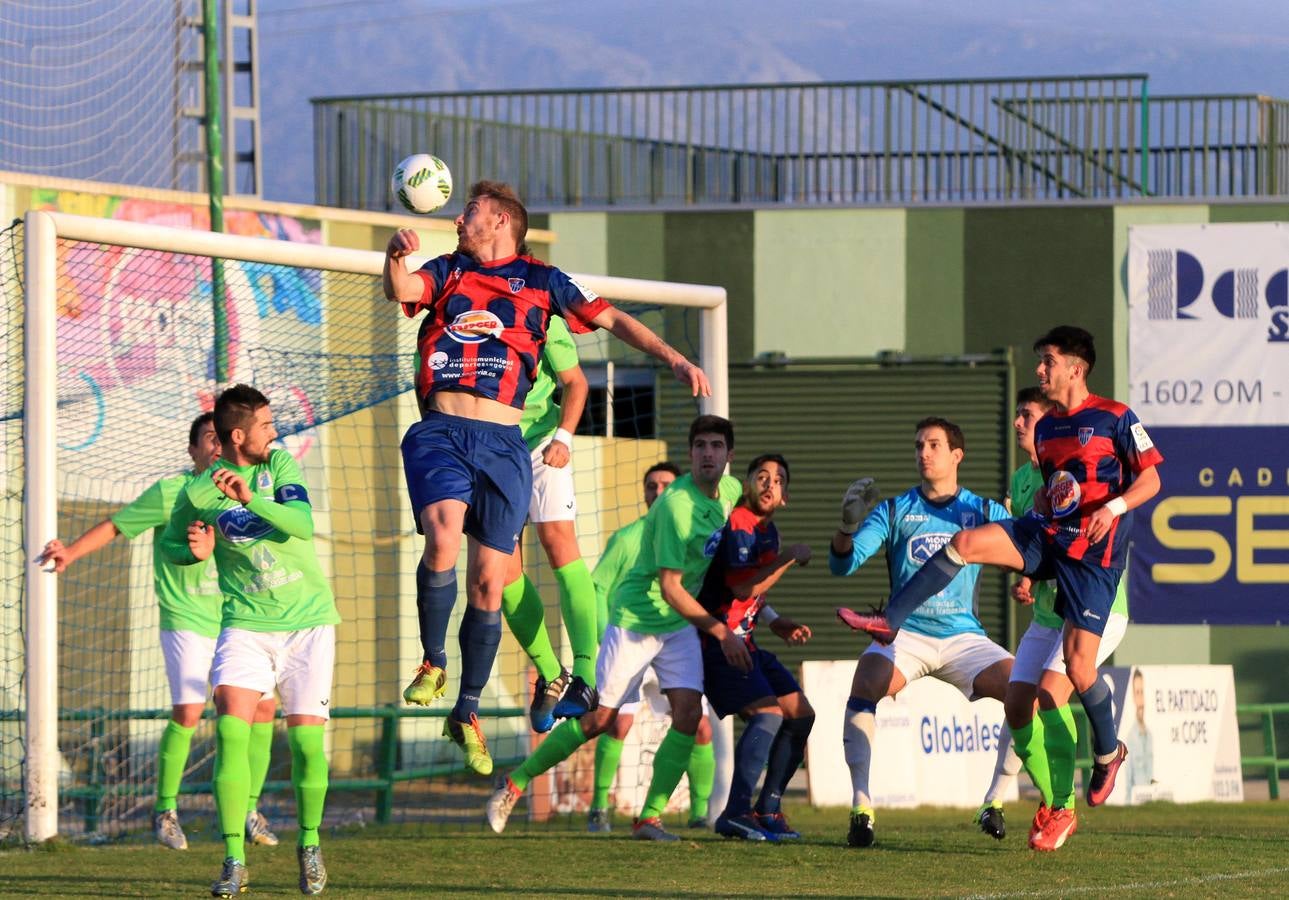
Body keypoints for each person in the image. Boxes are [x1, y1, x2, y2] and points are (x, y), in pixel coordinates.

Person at [383, 180, 710, 776]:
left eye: (471, 210)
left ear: (502, 221)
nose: (459, 218)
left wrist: (676, 359)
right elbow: (403, 289)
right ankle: (434, 661)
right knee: (444, 538)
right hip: (440, 433)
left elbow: (613, 320)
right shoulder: (448, 271)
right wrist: (393, 256)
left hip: (509, 445)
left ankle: (469, 709)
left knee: (491, 580)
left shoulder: (544, 282)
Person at [843, 326, 1163, 852]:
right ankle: (891, 618)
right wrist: (1040, 508)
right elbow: (1058, 490)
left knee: (1079, 671)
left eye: (1048, 361)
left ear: (1076, 368)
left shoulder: (1117, 416)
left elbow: (1150, 480)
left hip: (1093, 558)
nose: (1041, 370)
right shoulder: (1048, 430)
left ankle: (1107, 755)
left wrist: (1113, 507)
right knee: (967, 545)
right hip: (1051, 538)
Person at [486, 415, 743, 841]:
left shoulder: (728, 492)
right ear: (690, 453)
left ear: (728, 456)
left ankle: (650, 818)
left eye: (717, 446)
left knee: (690, 715)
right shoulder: (674, 510)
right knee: (601, 720)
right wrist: (720, 631)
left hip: (677, 627)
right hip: (635, 623)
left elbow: (745, 497)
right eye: (700, 446)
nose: (708, 454)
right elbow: (667, 587)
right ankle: (514, 785)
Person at [37, 413, 279, 853]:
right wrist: (70, 551)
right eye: (207, 439)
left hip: (233, 620)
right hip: (185, 620)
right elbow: (116, 525)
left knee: (263, 710)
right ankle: (165, 810)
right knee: (189, 712)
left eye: (220, 439)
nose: (215, 446)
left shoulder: (246, 494)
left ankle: (248, 808)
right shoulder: (171, 493)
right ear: (192, 451)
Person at [161, 386, 338, 897]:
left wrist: (250, 498)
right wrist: (191, 552)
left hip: (308, 622)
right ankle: (233, 859)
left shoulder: (278, 465)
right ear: (238, 436)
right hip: (245, 624)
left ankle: (309, 844)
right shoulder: (196, 492)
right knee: (231, 732)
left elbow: (301, 525)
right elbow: (176, 541)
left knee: (306, 743)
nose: (274, 432)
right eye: (265, 425)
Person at [832, 418, 1014, 849]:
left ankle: (995, 802)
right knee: (865, 683)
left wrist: (1025, 581)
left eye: (934, 445)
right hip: (905, 636)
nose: (924, 453)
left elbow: (1025, 553)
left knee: (1025, 691)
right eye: (919, 446)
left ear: (957, 455)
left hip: (964, 638)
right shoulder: (894, 510)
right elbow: (843, 566)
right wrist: (845, 528)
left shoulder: (984, 511)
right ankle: (862, 807)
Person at [1003, 387, 1131, 842]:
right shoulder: (1021, 480)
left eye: (1028, 415)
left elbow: (1088, 541)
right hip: (1047, 612)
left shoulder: (1083, 468)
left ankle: (1064, 804)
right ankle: (1052, 796)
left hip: (1094, 607)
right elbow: (1040, 546)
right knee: (1017, 705)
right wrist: (1029, 579)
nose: (1019, 423)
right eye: (1018, 415)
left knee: (1051, 695)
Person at [586, 461, 718, 833]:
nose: (658, 493)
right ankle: (598, 809)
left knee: (698, 726)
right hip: (631, 639)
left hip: (675, 640)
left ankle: (699, 813)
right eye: (651, 486)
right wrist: (601, 635)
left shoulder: (696, 536)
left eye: (665, 485)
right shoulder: (628, 538)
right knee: (615, 723)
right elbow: (597, 587)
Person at [699, 454, 815, 842]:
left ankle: (768, 808)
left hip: (746, 641)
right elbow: (742, 588)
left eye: (779, 480)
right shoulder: (739, 524)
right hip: (717, 643)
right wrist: (787, 559)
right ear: (748, 484)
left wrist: (775, 620)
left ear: (785, 496)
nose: (769, 484)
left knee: (801, 715)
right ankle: (734, 812)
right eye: (762, 477)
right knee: (768, 715)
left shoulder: (768, 531)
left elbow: (754, 594)